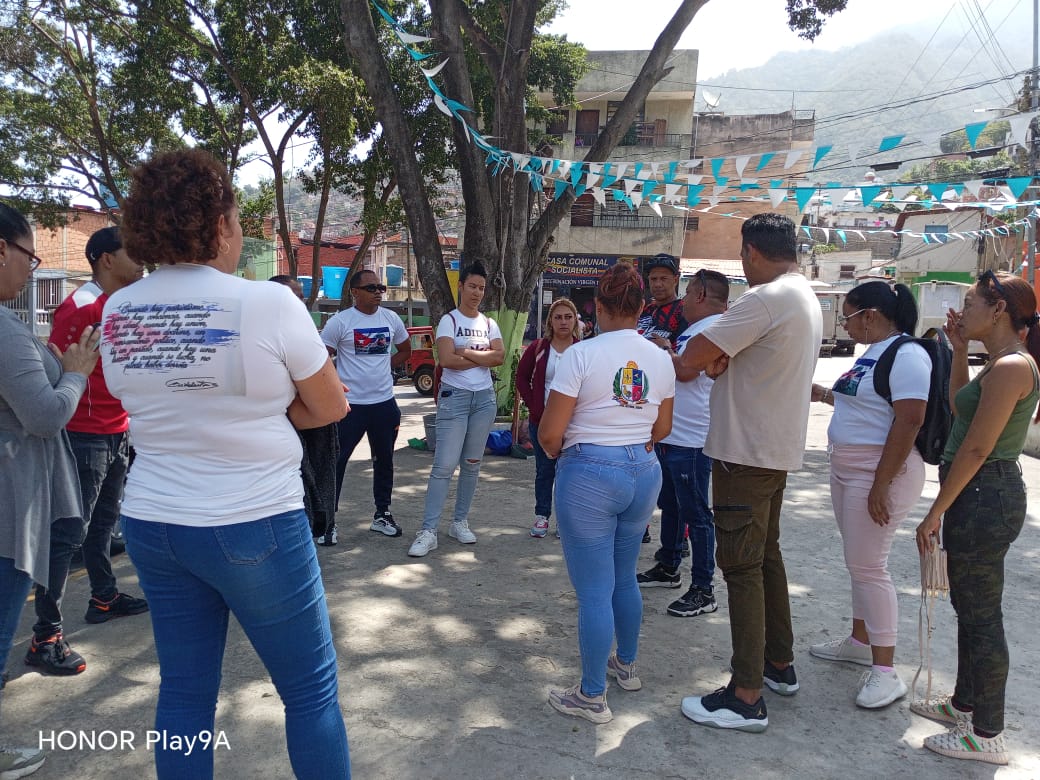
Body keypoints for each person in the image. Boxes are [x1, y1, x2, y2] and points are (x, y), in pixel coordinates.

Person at [101, 149, 350, 778]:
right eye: (236, 217)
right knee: (310, 693)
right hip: (253, 519)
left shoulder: (119, 311)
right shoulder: (267, 304)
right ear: (218, 225)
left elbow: (145, 403)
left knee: (184, 692)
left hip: (154, 523)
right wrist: (267, 413)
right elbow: (328, 406)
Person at [677, 213, 822, 733]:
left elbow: (692, 357)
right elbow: (727, 361)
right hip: (774, 451)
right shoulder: (803, 295)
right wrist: (723, 360)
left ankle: (745, 694)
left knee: (740, 570)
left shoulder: (763, 299)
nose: (741, 266)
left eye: (742, 256)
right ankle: (777, 665)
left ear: (752, 252)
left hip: (745, 454)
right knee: (765, 560)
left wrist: (715, 357)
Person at [538, 261, 674, 724]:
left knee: (594, 591)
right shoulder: (659, 357)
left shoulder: (581, 354)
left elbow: (550, 435)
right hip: (643, 469)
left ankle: (592, 695)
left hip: (591, 472)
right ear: (641, 306)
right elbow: (664, 426)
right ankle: (627, 665)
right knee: (624, 576)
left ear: (595, 306)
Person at [913, 271, 1040, 767]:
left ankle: (987, 733)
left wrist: (934, 512)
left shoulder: (1012, 367)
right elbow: (958, 407)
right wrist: (959, 349)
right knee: (970, 609)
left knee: (983, 617)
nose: (960, 311)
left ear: (999, 309)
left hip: (985, 496)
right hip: (978, 494)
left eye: (969, 302)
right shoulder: (999, 363)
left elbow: (978, 446)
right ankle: (964, 704)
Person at [0, 202, 99, 778]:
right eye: (29, 256)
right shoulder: (6, 329)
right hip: (11, 501)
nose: (31, 270)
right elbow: (41, 416)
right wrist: (77, 372)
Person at [808, 281, 930, 709]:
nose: (846, 324)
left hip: (878, 473)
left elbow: (910, 420)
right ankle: (861, 642)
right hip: (850, 470)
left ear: (871, 315)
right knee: (858, 564)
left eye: (848, 316)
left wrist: (882, 483)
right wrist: (824, 394)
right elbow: (867, 405)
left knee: (870, 568)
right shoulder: (874, 354)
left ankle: (885, 671)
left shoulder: (908, 354)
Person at [31, 228, 148, 661]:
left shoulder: (118, 304)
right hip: (84, 434)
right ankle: (46, 635)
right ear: (104, 259)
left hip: (116, 428)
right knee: (68, 533)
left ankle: (104, 597)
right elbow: (58, 369)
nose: (141, 262)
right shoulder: (82, 306)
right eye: (131, 253)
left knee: (103, 524)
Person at [638, 269, 728, 619]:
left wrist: (662, 349)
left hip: (692, 438)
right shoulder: (693, 329)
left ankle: (703, 589)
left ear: (702, 295)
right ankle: (668, 564)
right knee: (672, 505)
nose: (685, 299)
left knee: (696, 514)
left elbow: (688, 371)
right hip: (675, 433)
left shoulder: (713, 329)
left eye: (689, 292)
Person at [408, 262, 504, 557]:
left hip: (484, 399)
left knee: (472, 464)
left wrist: (465, 351)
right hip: (455, 398)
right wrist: (481, 357)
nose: (477, 292)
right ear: (460, 286)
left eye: (481, 288)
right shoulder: (449, 320)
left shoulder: (489, 323)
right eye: (472, 286)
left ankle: (459, 522)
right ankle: (428, 531)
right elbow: (447, 361)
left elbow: (499, 357)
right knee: (444, 465)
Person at [321, 269, 411, 541]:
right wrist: (335, 385)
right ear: (354, 292)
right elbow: (322, 358)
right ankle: (328, 522)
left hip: (384, 405)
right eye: (371, 288)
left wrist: (387, 369)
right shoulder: (340, 322)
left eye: (380, 288)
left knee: (384, 461)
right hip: (350, 407)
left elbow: (406, 350)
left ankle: (382, 515)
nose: (377, 293)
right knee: (337, 461)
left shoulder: (391, 318)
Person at [269, 275, 341, 546]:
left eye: (301, 296)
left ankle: (325, 525)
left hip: (317, 426)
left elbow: (328, 392)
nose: (299, 302)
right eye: (292, 296)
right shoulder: (261, 336)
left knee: (321, 477)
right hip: (282, 430)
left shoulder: (306, 332)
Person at [515, 297, 581, 538]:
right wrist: (534, 406)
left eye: (568, 317)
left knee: (570, 473)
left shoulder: (582, 349)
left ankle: (565, 521)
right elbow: (521, 377)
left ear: (575, 320)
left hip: (574, 423)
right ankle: (542, 516)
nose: (563, 322)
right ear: (550, 322)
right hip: (542, 421)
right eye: (558, 317)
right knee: (545, 471)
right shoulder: (539, 348)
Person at [637, 252, 688, 544]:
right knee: (644, 472)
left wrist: (666, 346)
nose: (657, 284)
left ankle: (678, 540)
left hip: (675, 404)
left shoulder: (684, 312)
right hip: (642, 401)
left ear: (676, 279)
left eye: (663, 278)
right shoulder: (645, 312)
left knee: (673, 483)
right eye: (653, 278)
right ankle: (640, 527)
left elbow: (689, 356)